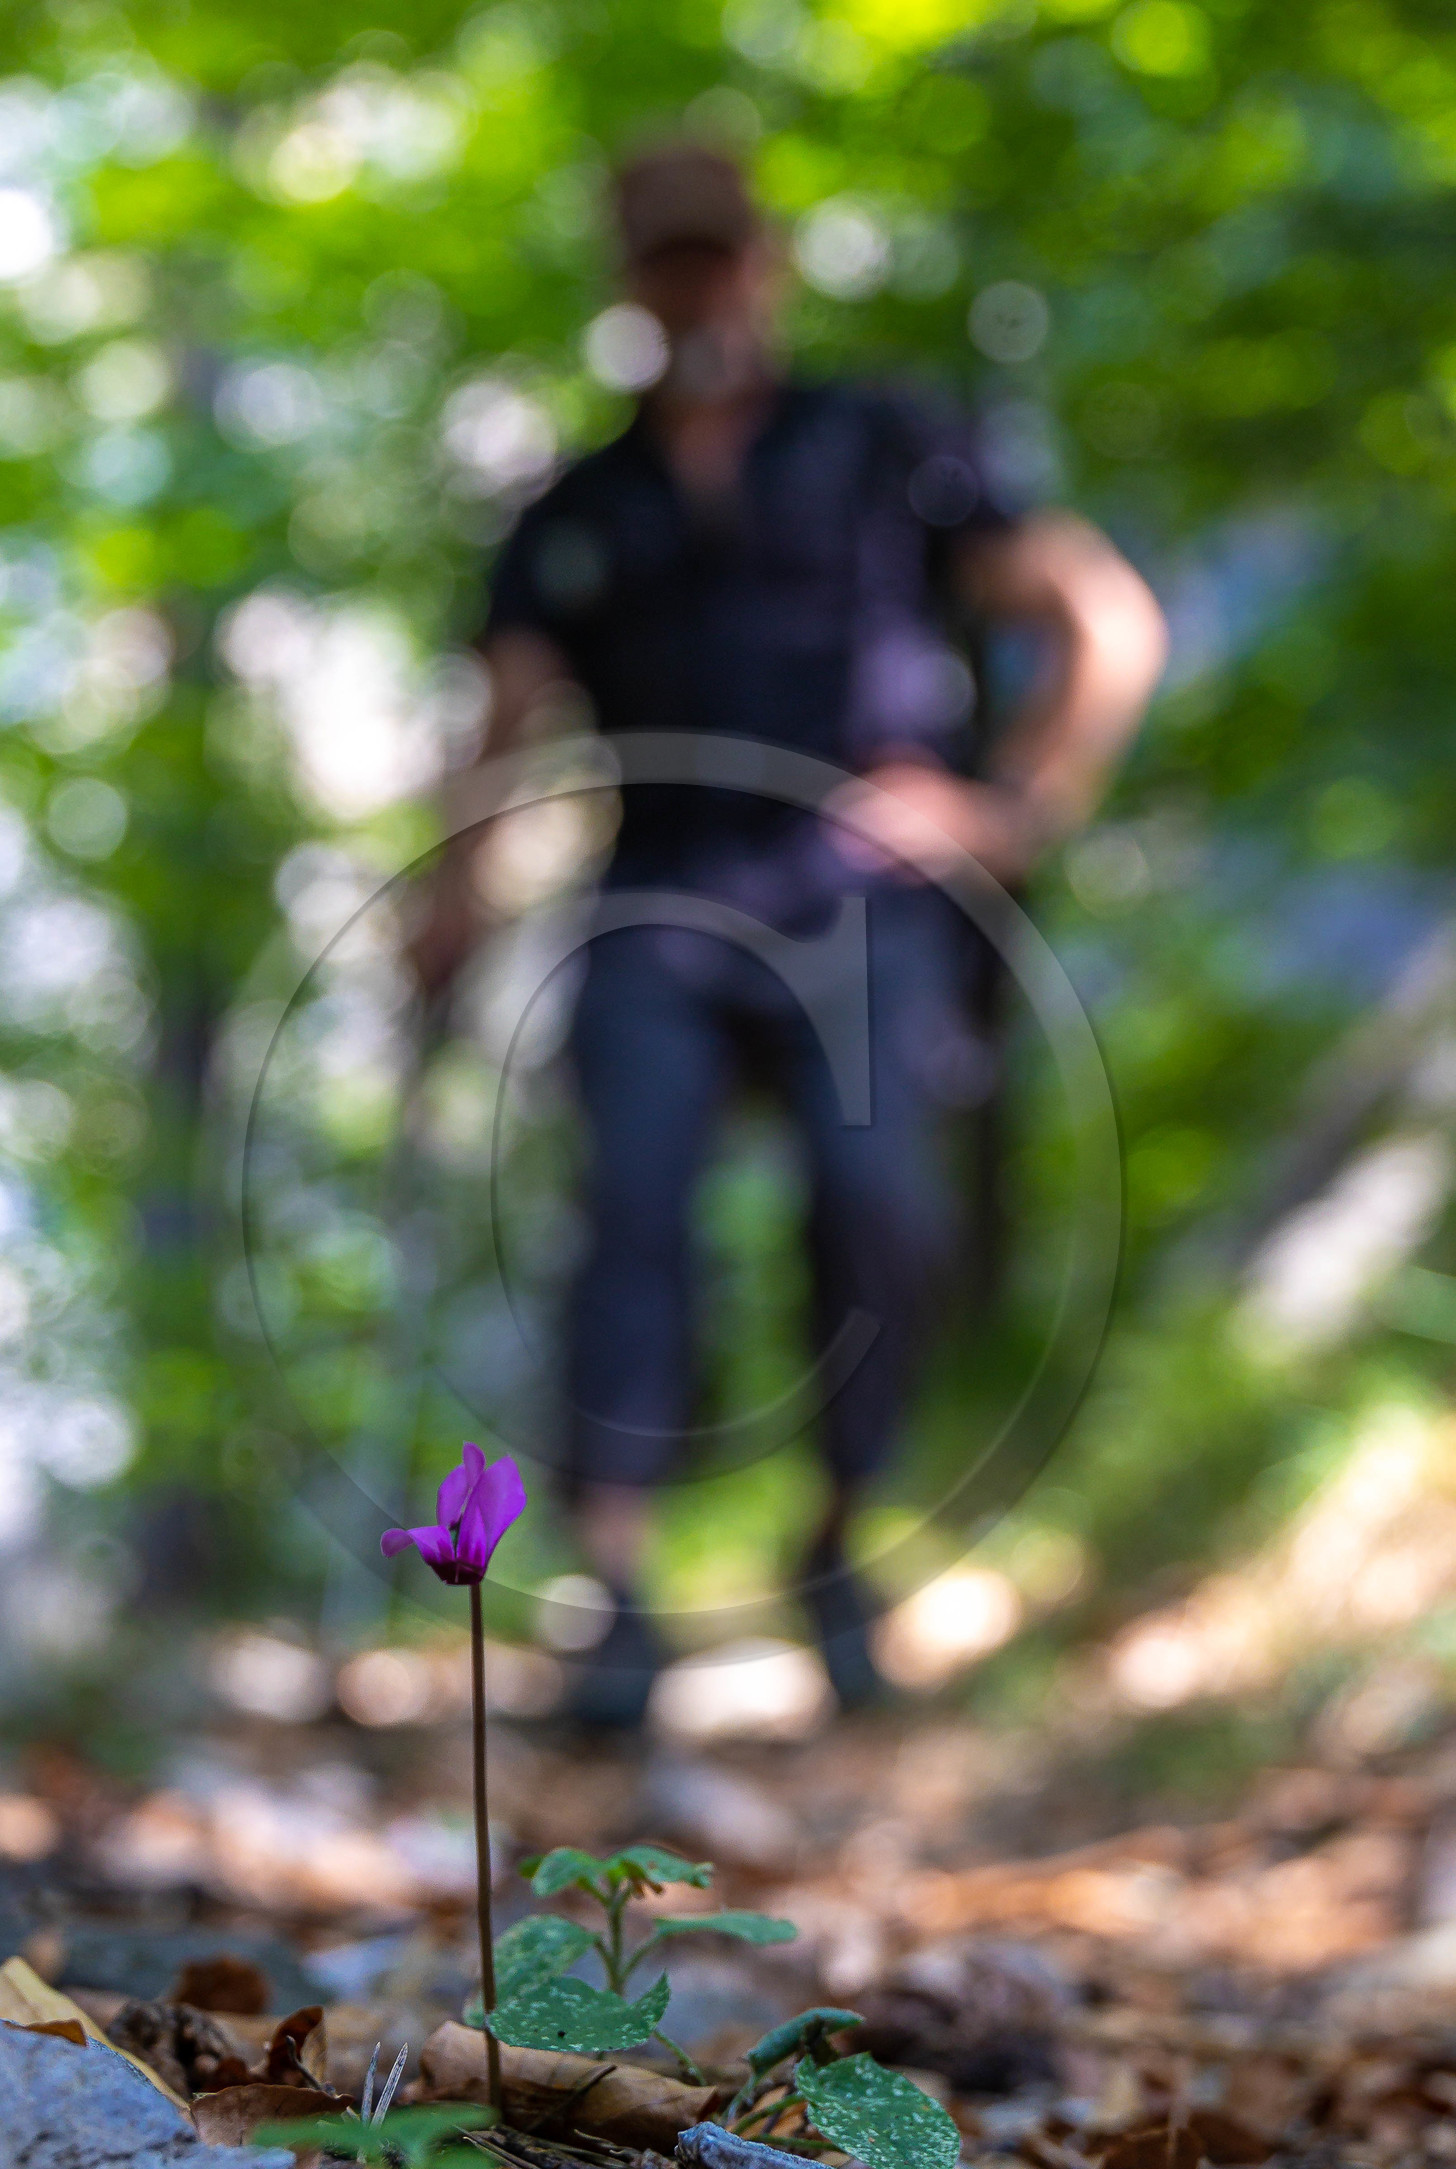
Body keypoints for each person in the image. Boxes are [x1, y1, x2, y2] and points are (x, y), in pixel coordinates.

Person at [414, 144, 1167, 1725]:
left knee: (872, 1199)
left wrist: (1013, 807)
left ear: (767, 264)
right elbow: (500, 725)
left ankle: (839, 1546)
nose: (699, 289)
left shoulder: (885, 441)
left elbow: (1103, 619)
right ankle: (614, 1603)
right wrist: (450, 903)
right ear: (631, 282)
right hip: (657, 893)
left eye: (721, 256)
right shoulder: (579, 504)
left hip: (859, 890)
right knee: (627, 1214)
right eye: (666, 262)